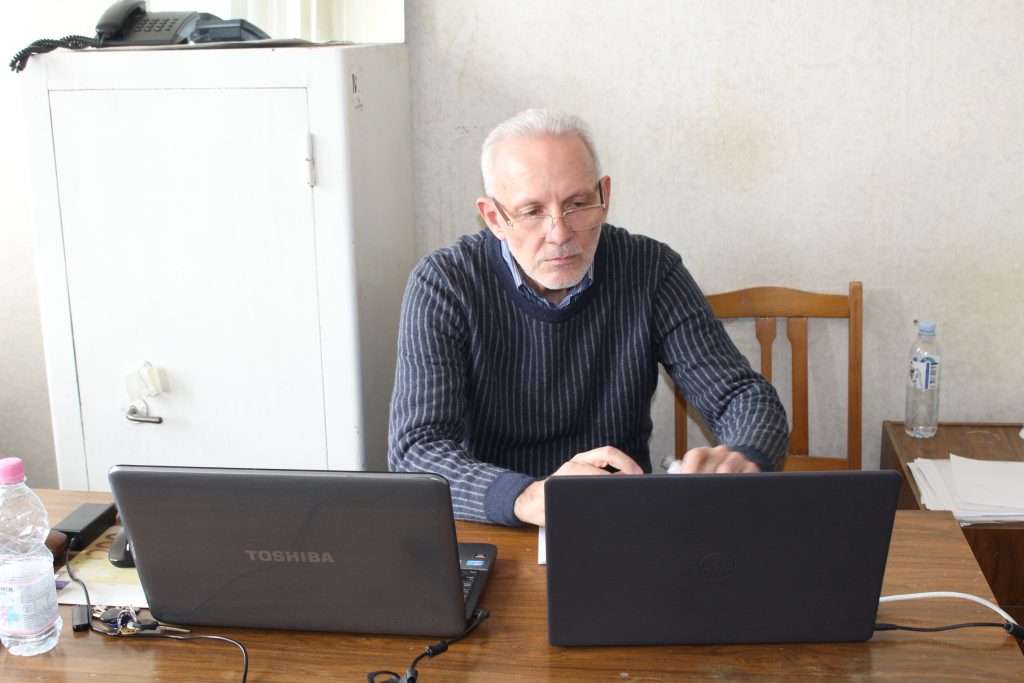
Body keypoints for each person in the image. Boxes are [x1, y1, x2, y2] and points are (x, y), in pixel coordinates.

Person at [388, 108, 788, 527]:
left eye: (577, 205)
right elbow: (417, 449)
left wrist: (744, 454)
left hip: (619, 514)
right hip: (497, 523)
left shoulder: (651, 270)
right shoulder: (445, 283)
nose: (560, 233)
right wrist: (527, 496)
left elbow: (741, 395)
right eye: (532, 212)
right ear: (494, 218)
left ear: (604, 196)